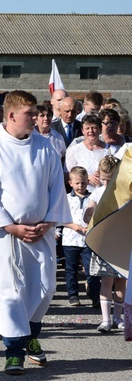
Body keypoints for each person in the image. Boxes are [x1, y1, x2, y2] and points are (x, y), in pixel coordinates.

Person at [0, 90, 71, 375]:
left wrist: (50, 222)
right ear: (11, 115)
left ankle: (30, 337)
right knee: (12, 295)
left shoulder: (45, 147)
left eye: (37, 113)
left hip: (41, 233)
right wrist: (11, 226)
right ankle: (13, 351)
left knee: (45, 289)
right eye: (30, 114)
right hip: (8, 236)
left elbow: (56, 189)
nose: (37, 119)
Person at [83, 155, 125, 332]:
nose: (107, 183)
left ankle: (118, 318)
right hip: (103, 242)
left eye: (111, 179)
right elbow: (86, 217)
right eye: (104, 179)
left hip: (121, 242)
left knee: (121, 282)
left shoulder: (124, 193)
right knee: (106, 282)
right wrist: (92, 212)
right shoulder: (97, 193)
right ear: (99, 176)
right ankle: (106, 319)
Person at [61, 166, 100, 307]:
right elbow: (60, 218)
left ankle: (95, 296)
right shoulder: (66, 199)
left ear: (88, 181)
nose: (80, 186)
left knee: (91, 270)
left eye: (83, 182)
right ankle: (73, 295)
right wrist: (74, 226)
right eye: (77, 183)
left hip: (88, 240)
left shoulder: (93, 198)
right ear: (70, 183)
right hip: (71, 240)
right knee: (71, 269)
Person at [65, 114, 118, 191]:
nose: (91, 131)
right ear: (83, 131)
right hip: (83, 193)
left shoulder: (111, 150)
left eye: (94, 128)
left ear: (100, 129)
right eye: (87, 128)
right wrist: (87, 177)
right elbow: (68, 174)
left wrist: (104, 174)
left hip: (105, 192)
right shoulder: (73, 150)